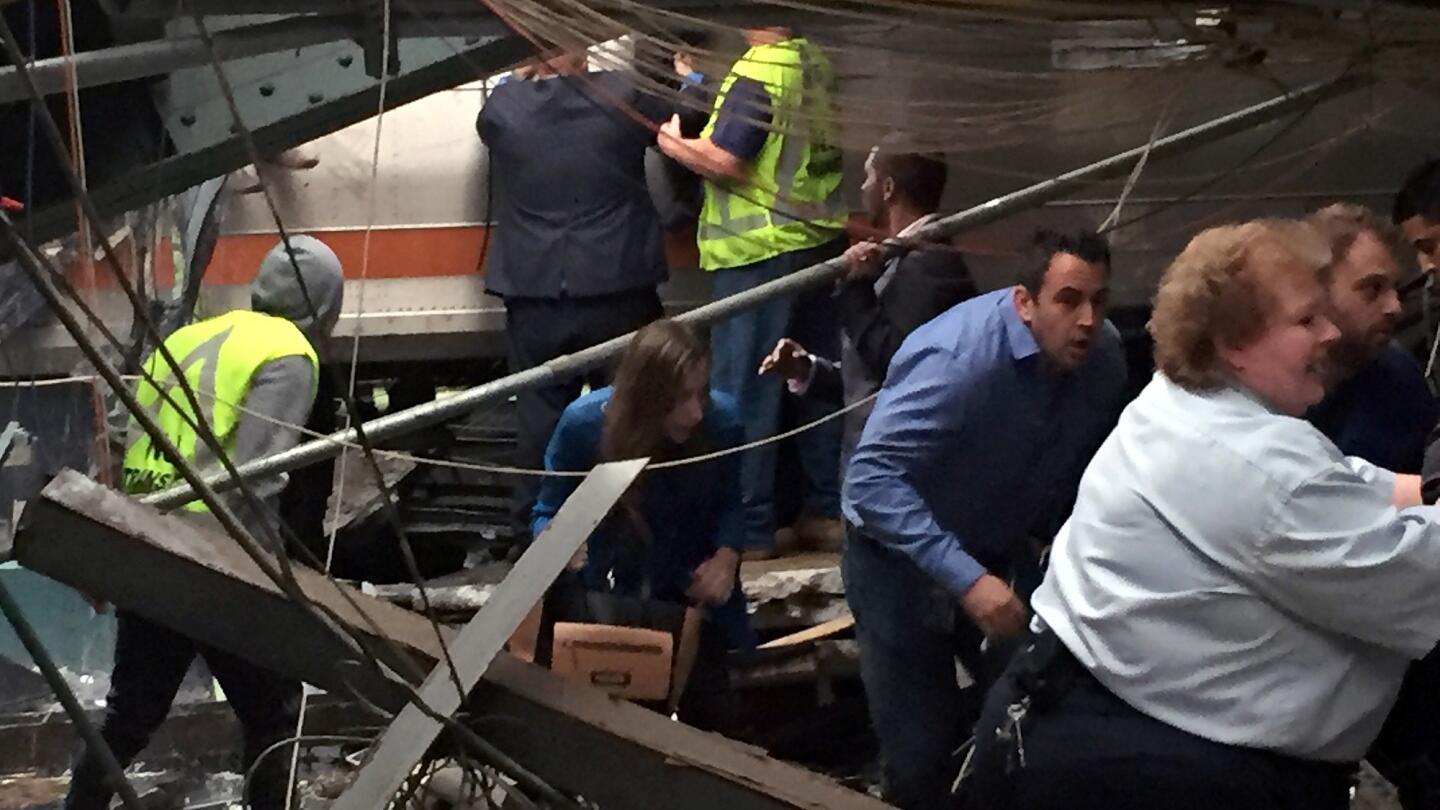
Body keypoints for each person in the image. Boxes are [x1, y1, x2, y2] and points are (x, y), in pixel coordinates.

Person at [968, 219, 1440, 810]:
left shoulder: (1185, 403)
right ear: (1233, 345)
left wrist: (1420, 488)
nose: (1330, 333)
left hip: (1086, 726)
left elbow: (1333, 484)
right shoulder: (1253, 468)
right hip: (1148, 775)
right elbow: (1418, 571)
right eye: (1305, 321)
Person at [842, 229, 1126, 810]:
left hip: (997, 540)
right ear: (1025, 303)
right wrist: (967, 580)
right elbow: (871, 481)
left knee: (1033, 714)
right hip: (897, 558)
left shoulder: (1103, 360)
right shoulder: (960, 364)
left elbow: (1085, 463)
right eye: (1069, 300)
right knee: (920, 748)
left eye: (1099, 301)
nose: (1088, 320)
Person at [66, 236, 344, 810]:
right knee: (275, 710)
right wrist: (270, 583)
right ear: (326, 306)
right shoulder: (288, 353)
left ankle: (80, 805)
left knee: (132, 714)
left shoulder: (189, 334)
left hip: (150, 544)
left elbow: (119, 435)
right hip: (214, 554)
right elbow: (260, 475)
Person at [658, 27, 849, 557]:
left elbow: (729, 159)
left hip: (760, 253)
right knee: (812, 381)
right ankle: (824, 510)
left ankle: (749, 528)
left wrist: (675, 145)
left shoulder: (759, 70)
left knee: (746, 390)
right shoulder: (812, 59)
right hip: (816, 244)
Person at [478, 50, 671, 550]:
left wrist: (523, 71)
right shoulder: (623, 96)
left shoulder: (504, 107)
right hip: (617, 285)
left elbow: (492, 116)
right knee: (631, 415)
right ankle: (635, 532)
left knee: (538, 420)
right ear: (582, 49)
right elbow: (687, 108)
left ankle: (533, 540)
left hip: (537, 291)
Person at [532, 319, 755, 729]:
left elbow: (731, 503)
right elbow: (546, 512)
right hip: (606, 609)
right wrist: (558, 545)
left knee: (714, 730)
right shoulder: (582, 426)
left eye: (701, 393)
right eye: (679, 399)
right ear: (644, 398)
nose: (694, 412)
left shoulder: (722, 422)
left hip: (690, 601)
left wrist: (727, 557)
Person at [758, 138, 976, 483]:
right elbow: (870, 377)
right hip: (874, 467)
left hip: (896, 470)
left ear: (888, 188)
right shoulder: (903, 257)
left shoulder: (929, 263)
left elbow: (895, 363)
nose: (862, 187)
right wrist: (807, 370)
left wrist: (856, 289)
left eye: (868, 177)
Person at [1305, 203, 1436, 473]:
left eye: (1395, 289)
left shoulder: (1397, 372)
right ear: (1317, 291)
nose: (1395, 307)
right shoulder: (1278, 401)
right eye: (1373, 289)